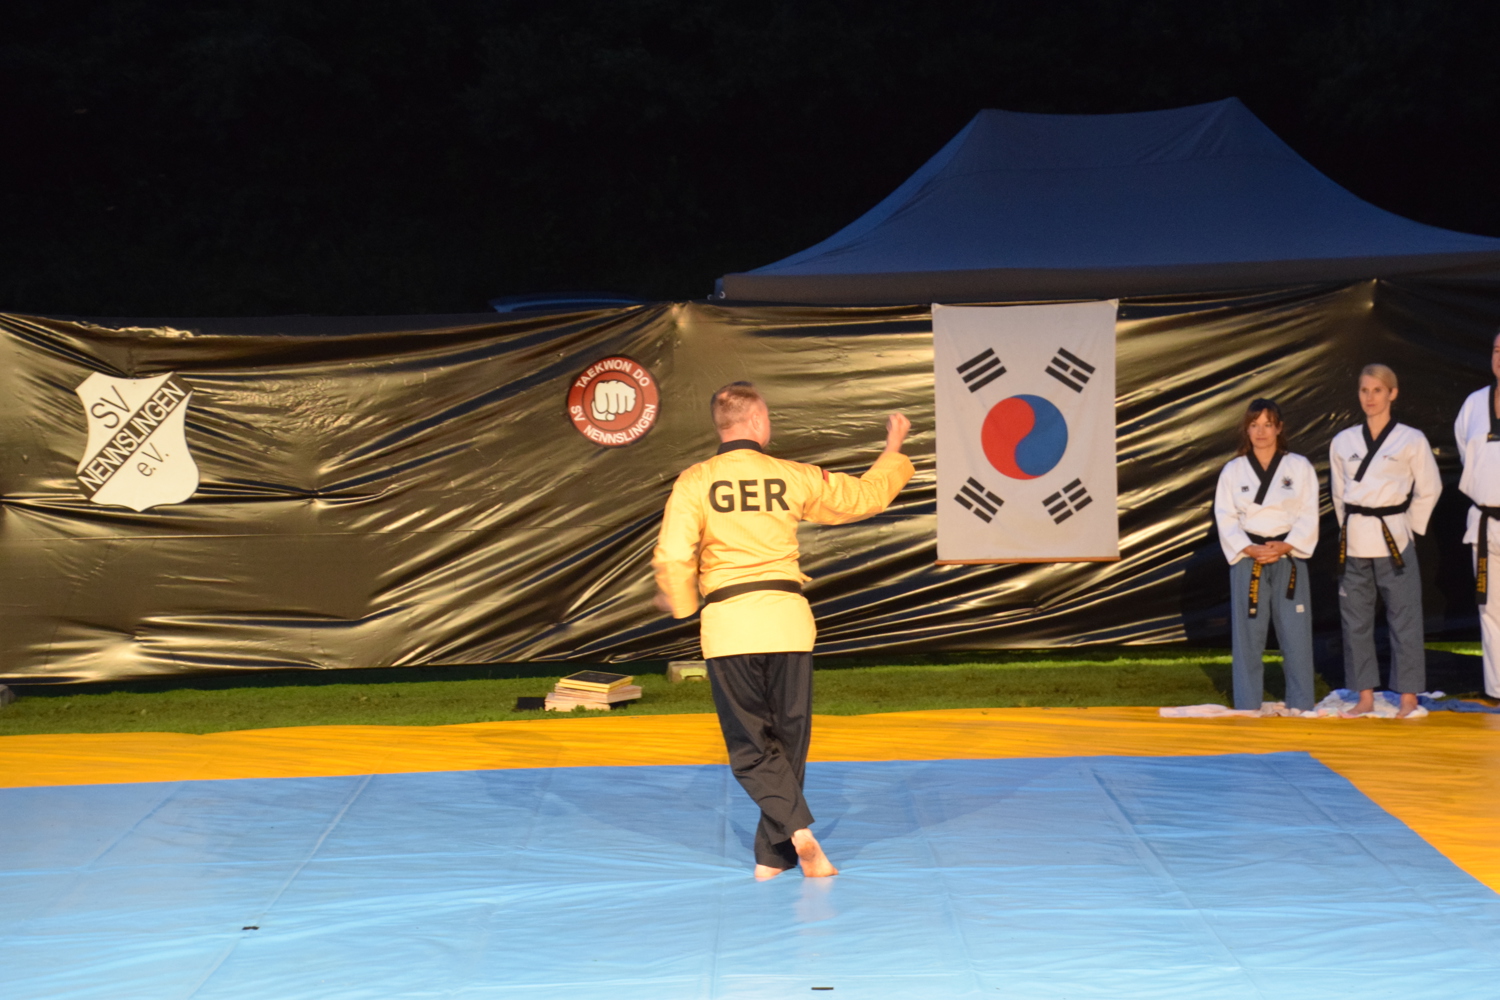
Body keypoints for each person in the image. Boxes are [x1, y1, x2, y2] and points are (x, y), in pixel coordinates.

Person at [652, 381, 913, 879]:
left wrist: (680, 601)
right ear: (755, 421)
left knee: (752, 748)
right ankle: (773, 856)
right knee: (789, 742)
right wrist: (893, 449)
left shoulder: (695, 481)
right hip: (787, 624)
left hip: (731, 626)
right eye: (767, 415)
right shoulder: (792, 475)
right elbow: (864, 497)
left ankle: (791, 839)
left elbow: (673, 553)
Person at [1330, 364, 1441, 717]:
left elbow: (1430, 488)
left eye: (1377, 390)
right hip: (1355, 538)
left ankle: (1408, 696)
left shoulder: (1411, 439)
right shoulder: (1343, 441)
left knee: (1405, 618)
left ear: (1393, 393)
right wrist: (1348, 527)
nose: (1370, 397)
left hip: (1395, 538)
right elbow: (1338, 494)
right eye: (1364, 390)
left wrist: (1409, 527)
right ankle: (1364, 695)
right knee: (1355, 620)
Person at [1213, 399, 1320, 713]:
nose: (1261, 432)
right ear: (1246, 429)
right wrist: (1248, 547)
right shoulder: (1233, 470)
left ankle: (1301, 703)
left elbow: (1309, 511)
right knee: (1248, 636)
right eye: (1254, 425)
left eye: (1268, 424)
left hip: (1288, 556)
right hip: (1249, 558)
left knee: (1296, 633)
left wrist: (1287, 545)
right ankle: (1247, 704)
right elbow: (1225, 515)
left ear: (1279, 428)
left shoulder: (1298, 466)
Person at [1454, 329, 1500, 702]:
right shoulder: (1473, 404)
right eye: (1497, 350)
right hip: (1485, 522)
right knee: (1490, 611)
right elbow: (1465, 455)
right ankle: (1498, 689)